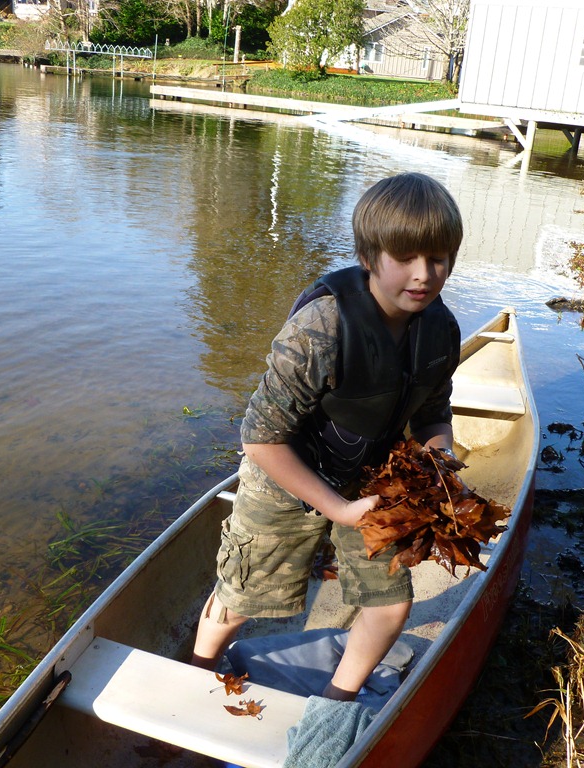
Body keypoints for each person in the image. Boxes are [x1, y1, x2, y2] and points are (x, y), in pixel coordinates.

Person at [191, 172, 463, 702]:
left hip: (373, 479)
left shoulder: (441, 330)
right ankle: (196, 672)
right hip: (285, 477)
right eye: (405, 257)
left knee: (391, 605)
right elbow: (261, 439)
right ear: (368, 256)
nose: (424, 275)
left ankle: (337, 704)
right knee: (241, 597)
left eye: (438, 259)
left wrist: (439, 464)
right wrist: (337, 509)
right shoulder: (321, 327)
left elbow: (432, 414)